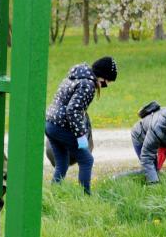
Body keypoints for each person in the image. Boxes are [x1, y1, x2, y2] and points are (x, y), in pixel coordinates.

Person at [45, 56, 117, 194]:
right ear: (103, 76)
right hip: (60, 126)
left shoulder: (76, 77)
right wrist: (80, 136)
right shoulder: (88, 84)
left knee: (62, 163)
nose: (107, 84)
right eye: (108, 80)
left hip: (50, 124)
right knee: (87, 160)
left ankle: (53, 194)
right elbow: (73, 110)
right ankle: (85, 196)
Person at [130, 103, 166, 184]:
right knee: (151, 170)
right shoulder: (157, 127)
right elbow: (147, 158)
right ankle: (116, 178)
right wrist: (154, 184)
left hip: (164, 136)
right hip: (141, 135)